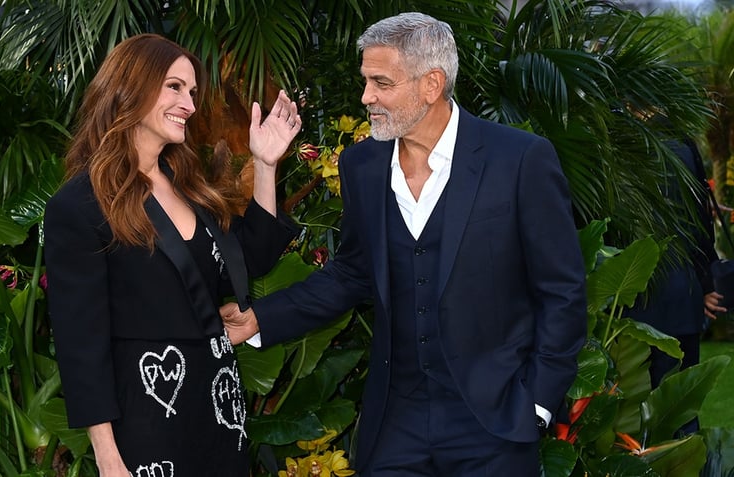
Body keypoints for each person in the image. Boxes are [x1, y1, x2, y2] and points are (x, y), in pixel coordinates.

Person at [220, 12, 587, 476]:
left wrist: (538, 402)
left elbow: (562, 291)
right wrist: (260, 319)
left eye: (381, 83)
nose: (365, 97)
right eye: (366, 81)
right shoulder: (361, 164)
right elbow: (352, 272)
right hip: (397, 421)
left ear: (431, 84)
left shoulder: (518, 159)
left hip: (494, 420)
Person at [44, 33, 300, 477]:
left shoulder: (187, 185)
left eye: (193, 92)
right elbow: (79, 343)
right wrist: (108, 457)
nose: (191, 105)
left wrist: (266, 164)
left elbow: (248, 261)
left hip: (220, 407)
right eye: (175, 87)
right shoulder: (79, 204)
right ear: (131, 87)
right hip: (145, 417)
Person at [627, 127, 725, 434]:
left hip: (630, 296)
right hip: (680, 291)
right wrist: (707, 283)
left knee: (633, 411)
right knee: (681, 408)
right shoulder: (682, 143)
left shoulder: (618, 141)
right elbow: (699, 222)